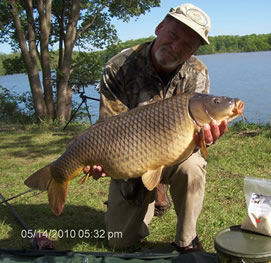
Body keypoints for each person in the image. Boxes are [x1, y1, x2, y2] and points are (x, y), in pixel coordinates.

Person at [85, 3, 228, 253]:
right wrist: (100, 159)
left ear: (194, 50)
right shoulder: (119, 66)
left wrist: (205, 138)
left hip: (175, 152)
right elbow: (108, 129)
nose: (175, 47)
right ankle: (148, 195)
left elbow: (196, 134)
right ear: (159, 27)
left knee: (193, 166)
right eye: (173, 35)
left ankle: (187, 240)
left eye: (187, 45)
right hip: (131, 155)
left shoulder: (197, 73)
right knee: (120, 242)